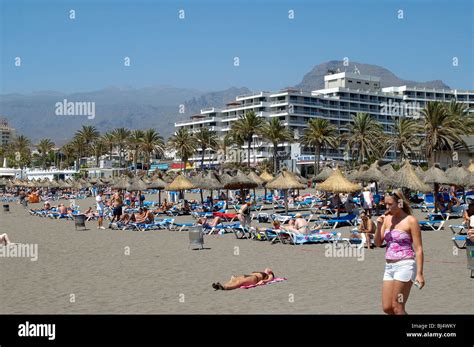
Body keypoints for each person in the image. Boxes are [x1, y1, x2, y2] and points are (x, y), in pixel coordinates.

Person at [375, 190, 424, 315]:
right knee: (387, 308)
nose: (387, 207)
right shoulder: (386, 219)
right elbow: (378, 243)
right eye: (385, 204)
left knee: (397, 306)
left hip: (405, 265)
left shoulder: (410, 221)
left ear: (400, 203)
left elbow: (418, 249)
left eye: (390, 204)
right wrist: (379, 226)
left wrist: (419, 273)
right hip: (389, 266)